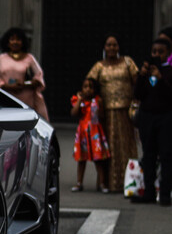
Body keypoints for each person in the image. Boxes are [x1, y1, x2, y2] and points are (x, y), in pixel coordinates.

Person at [86, 34, 138, 193]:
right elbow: (89, 84)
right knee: (107, 147)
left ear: (119, 47)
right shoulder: (99, 66)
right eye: (108, 45)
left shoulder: (128, 62)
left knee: (126, 145)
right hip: (105, 113)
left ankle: (130, 182)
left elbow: (137, 82)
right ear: (104, 48)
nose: (112, 48)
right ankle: (107, 182)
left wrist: (137, 101)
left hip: (125, 111)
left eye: (114, 45)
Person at [131, 38, 172, 206]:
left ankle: (164, 194)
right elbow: (138, 94)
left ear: (168, 54)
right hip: (147, 117)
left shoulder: (169, 71)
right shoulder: (146, 72)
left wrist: (160, 78)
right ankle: (148, 191)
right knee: (148, 155)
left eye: (160, 52)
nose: (156, 55)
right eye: (154, 51)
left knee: (166, 156)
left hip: (165, 118)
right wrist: (142, 76)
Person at [0, 27, 49, 121]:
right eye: (12, 39)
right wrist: (9, 87)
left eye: (18, 39)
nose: (15, 42)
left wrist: (25, 84)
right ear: (7, 42)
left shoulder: (30, 58)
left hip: (27, 101)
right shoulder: (0, 59)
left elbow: (39, 76)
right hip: (6, 99)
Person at [70, 77, 110, 193]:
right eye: (85, 87)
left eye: (91, 87)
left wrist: (99, 110)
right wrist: (79, 100)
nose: (88, 90)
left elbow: (102, 115)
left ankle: (102, 183)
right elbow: (74, 113)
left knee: (99, 159)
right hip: (83, 132)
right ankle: (79, 182)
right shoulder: (78, 100)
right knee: (81, 159)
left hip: (95, 133)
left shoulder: (98, 100)